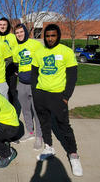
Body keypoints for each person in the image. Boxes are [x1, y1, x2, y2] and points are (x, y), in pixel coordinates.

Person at [31, 24, 83, 176]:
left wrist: (66, 96)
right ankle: (49, 147)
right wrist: (35, 92)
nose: (50, 38)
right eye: (47, 36)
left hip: (58, 96)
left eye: (53, 35)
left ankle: (73, 154)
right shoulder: (39, 52)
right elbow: (34, 74)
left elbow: (72, 76)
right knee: (44, 123)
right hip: (41, 95)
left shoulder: (66, 51)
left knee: (64, 125)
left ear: (58, 36)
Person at [13, 23, 44, 149]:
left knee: (37, 111)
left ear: (25, 32)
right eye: (17, 33)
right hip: (22, 84)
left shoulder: (35, 44)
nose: (19, 34)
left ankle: (39, 136)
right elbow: (16, 65)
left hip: (35, 84)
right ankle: (30, 132)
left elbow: (43, 60)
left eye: (21, 32)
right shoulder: (15, 49)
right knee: (26, 110)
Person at [0, 17, 18, 106]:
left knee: (11, 92)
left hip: (11, 69)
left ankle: (11, 113)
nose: (2, 26)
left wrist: (17, 68)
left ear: (8, 26)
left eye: (4, 25)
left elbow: (17, 52)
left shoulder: (13, 37)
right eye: (0, 24)